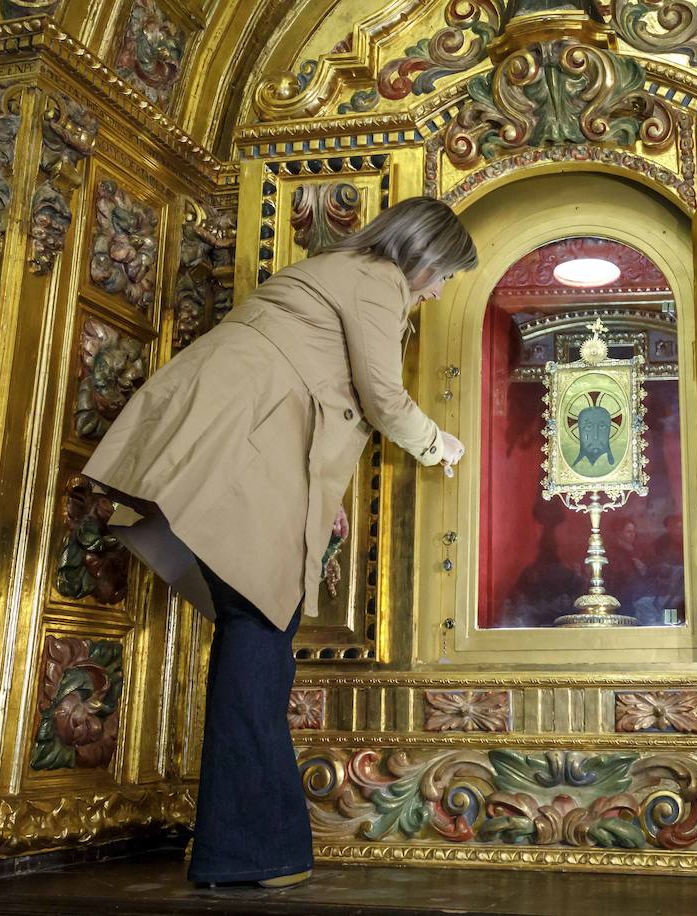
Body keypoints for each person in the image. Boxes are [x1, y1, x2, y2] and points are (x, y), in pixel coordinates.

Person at [81, 197, 477, 889]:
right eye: (443, 274)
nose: (439, 291)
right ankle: (251, 851)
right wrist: (437, 442)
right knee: (261, 625)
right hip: (243, 434)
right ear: (422, 252)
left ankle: (244, 849)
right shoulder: (379, 279)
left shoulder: (337, 269)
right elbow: (381, 398)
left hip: (229, 431)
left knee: (257, 624)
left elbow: (323, 391)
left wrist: (326, 504)